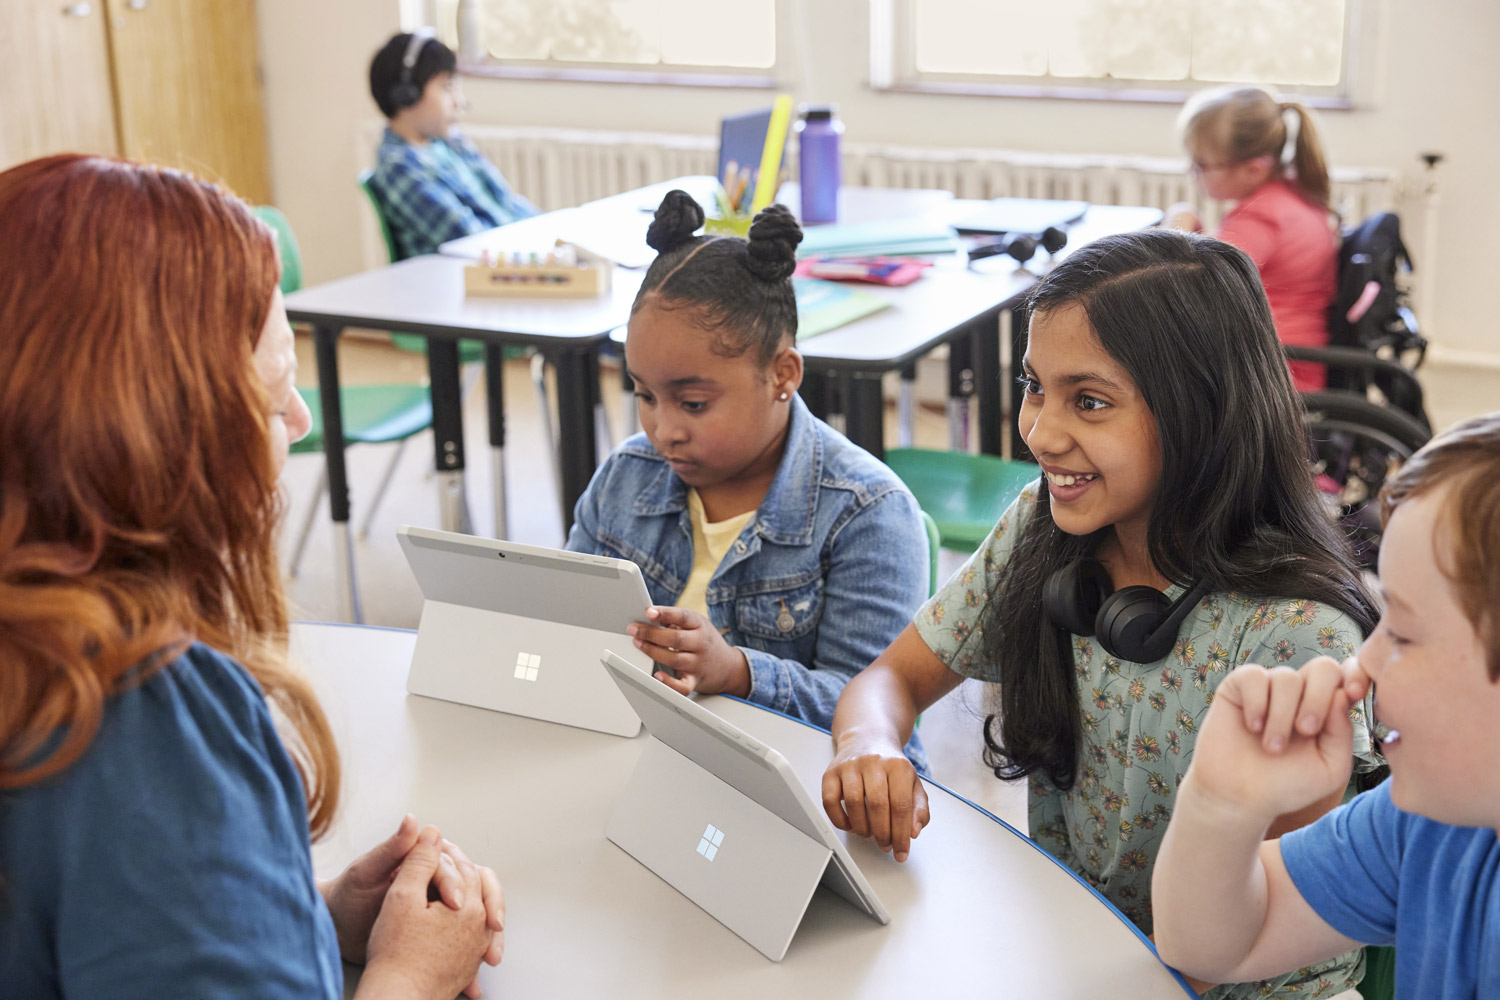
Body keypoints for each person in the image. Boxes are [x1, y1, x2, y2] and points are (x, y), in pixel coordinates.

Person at [820, 229, 1381, 999]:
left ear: (1201, 414)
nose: (1041, 432)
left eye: (1089, 401)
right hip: (1089, 952)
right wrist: (869, 744)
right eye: (1034, 386)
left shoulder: (1297, 634)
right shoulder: (1046, 527)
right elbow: (891, 679)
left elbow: (1251, 930)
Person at [0, 154, 505, 999]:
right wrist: (411, 972)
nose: (301, 420)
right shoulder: (146, 715)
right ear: (165, 433)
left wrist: (296, 914)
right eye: (276, 396)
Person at [566, 190, 931, 770]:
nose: (663, 430)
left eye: (691, 402)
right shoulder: (624, 478)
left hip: (798, 796)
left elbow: (877, 708)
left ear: (782, 374)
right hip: (649, 765)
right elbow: (567, 628)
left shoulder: (869, 513)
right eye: (643, 395)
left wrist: (736, 672)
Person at [1152, 413, 1500, 998]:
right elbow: (1208, 947)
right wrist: (1220, 804)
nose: (1364, 662)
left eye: (1406, 635)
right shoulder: (1429, 824)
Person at [1167, 85, 1339, 391]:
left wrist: (1174, 233)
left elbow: (1191, 294)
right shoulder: (1291, 197)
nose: (1191, 171)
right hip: (1288, 359)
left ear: (1253, 169)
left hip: (1273, 374)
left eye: (1202, 164)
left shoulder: (1261, 218)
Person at [366, 30, 538, 260]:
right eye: (447, 87)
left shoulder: (450, 143)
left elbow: (508, 203)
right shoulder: (399, 168)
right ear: (406, 95)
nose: (459, 101)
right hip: (473, 278)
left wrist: (556, 232)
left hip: (512, 255)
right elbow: (470, 241)